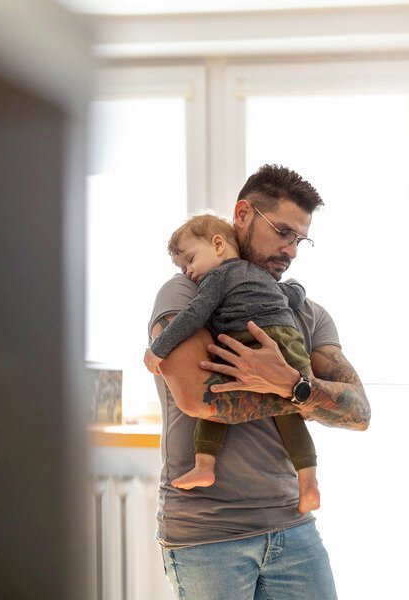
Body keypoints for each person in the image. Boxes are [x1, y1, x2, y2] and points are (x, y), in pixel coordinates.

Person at [148, 164, 370, 600]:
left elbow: (360, 413)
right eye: (283, 232)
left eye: (300, 240)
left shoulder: (306, 311)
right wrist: (305, 395)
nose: (291, 250)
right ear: (243, 214)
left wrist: (291, 384)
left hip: (295, 529)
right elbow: (200, 400)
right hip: (208, 537)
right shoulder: (186, 293)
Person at [143, 213, 319, 515]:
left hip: (248, 339)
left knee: (218, 394)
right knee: (290, 413)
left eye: (190, 260)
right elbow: (292, 295)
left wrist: (158, 349)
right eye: (183, 268)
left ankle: (205, 465)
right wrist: (298, 287)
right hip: (288, 343)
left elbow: (194, 314)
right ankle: (309, 483)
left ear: (218, 244)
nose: (188, 272)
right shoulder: (263, 276)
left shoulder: (218, 277)